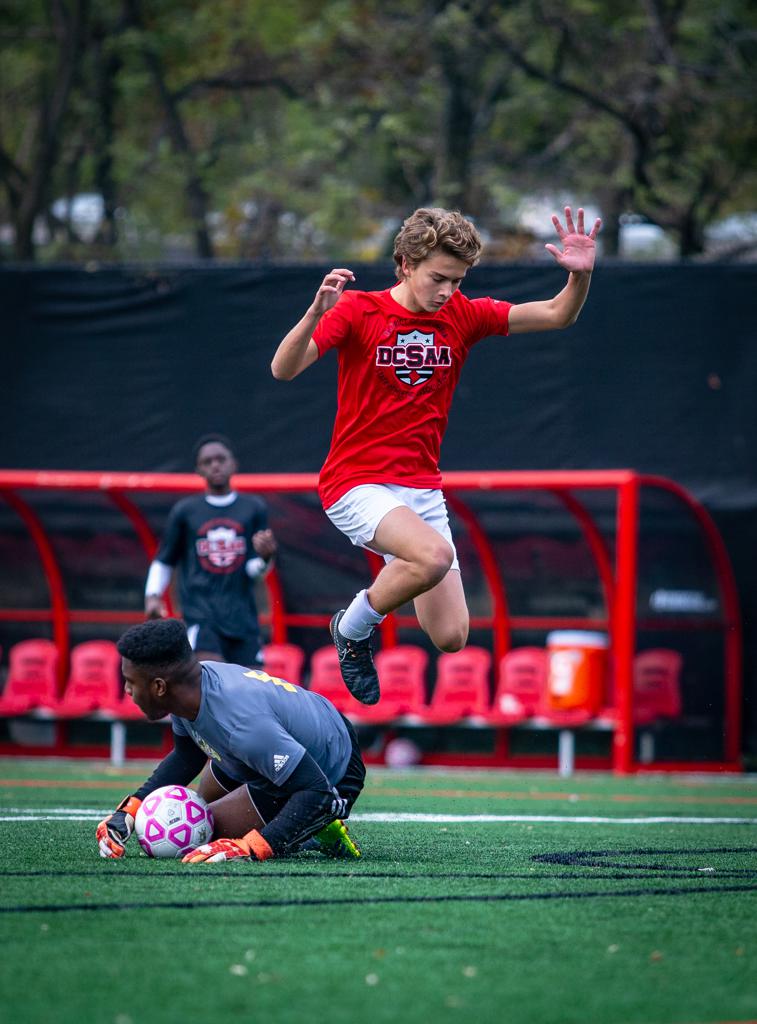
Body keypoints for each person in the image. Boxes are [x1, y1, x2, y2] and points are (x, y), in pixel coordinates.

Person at [271, 205, 601, 704]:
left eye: (459, 280)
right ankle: (352, 629)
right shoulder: (358, 309)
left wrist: (580, 277)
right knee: (433, 555)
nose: (448, 291)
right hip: (355, 483)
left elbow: (557, 313)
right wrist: (315, 312)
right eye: (439, 278)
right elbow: (283, 370)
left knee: (451, 636)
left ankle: (363, 616)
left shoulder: (463, 314)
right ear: (405, 263)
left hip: (420, 489)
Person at [96, 618, 364, 863]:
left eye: (130, 682)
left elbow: (316, 789)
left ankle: (315, 832)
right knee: (197, 814)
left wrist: (252, 847)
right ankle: (290, 823)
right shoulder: (189, 688)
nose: (126, 690)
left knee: (202, 838)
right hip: (283, 748)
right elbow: (187, 757)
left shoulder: (241, 725)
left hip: (331, 776)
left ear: (158, 687)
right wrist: (131, 809)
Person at [144, 433, 277, 668]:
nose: (215, 465)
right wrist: (153, 595)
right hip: (201, 617)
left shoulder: (253, 507)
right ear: (198, 470)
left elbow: (253, 570)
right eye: (207, 461)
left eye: (220, 459)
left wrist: (266, 558)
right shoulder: (186, 511)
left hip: (243, 619)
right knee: (211, 680)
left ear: (233, 464)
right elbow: (165, 559)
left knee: (253, 688)